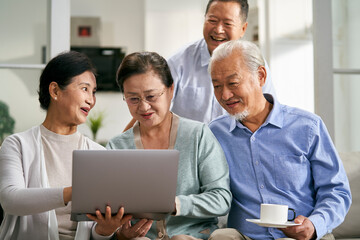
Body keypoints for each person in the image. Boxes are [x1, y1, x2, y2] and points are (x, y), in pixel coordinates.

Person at [207, 40, 352, 240]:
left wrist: (314, 224)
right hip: (245, 236)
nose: (224, 95)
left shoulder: (307, 126)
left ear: (260, 76)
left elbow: (337, 191)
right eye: (217, 86)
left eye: (233, 83)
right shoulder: (215, 133)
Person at [0, 51, 151, 240]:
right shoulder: (17, 145)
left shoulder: (99, 153)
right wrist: (75, 191)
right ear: (55, 91)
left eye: (94, 92)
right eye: (85, 88)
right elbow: (11, 200)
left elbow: (95, 233)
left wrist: (105, 230)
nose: (91, 100)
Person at [107, 52, 231, 240]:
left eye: (151, 96)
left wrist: (176, 204)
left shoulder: (198, 135)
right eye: (133, 99)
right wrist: (120, 234)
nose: (143, 107)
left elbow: (221, 198)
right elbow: (108, 207)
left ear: (171, 90)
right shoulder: (116, 146)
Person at [168, 0, 276, 124]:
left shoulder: (254, 63)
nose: (218, 30)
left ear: (243, 28)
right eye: (212, 21)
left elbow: (267, 113)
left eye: (227, 23)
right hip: (191, 142)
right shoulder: (177, 63)